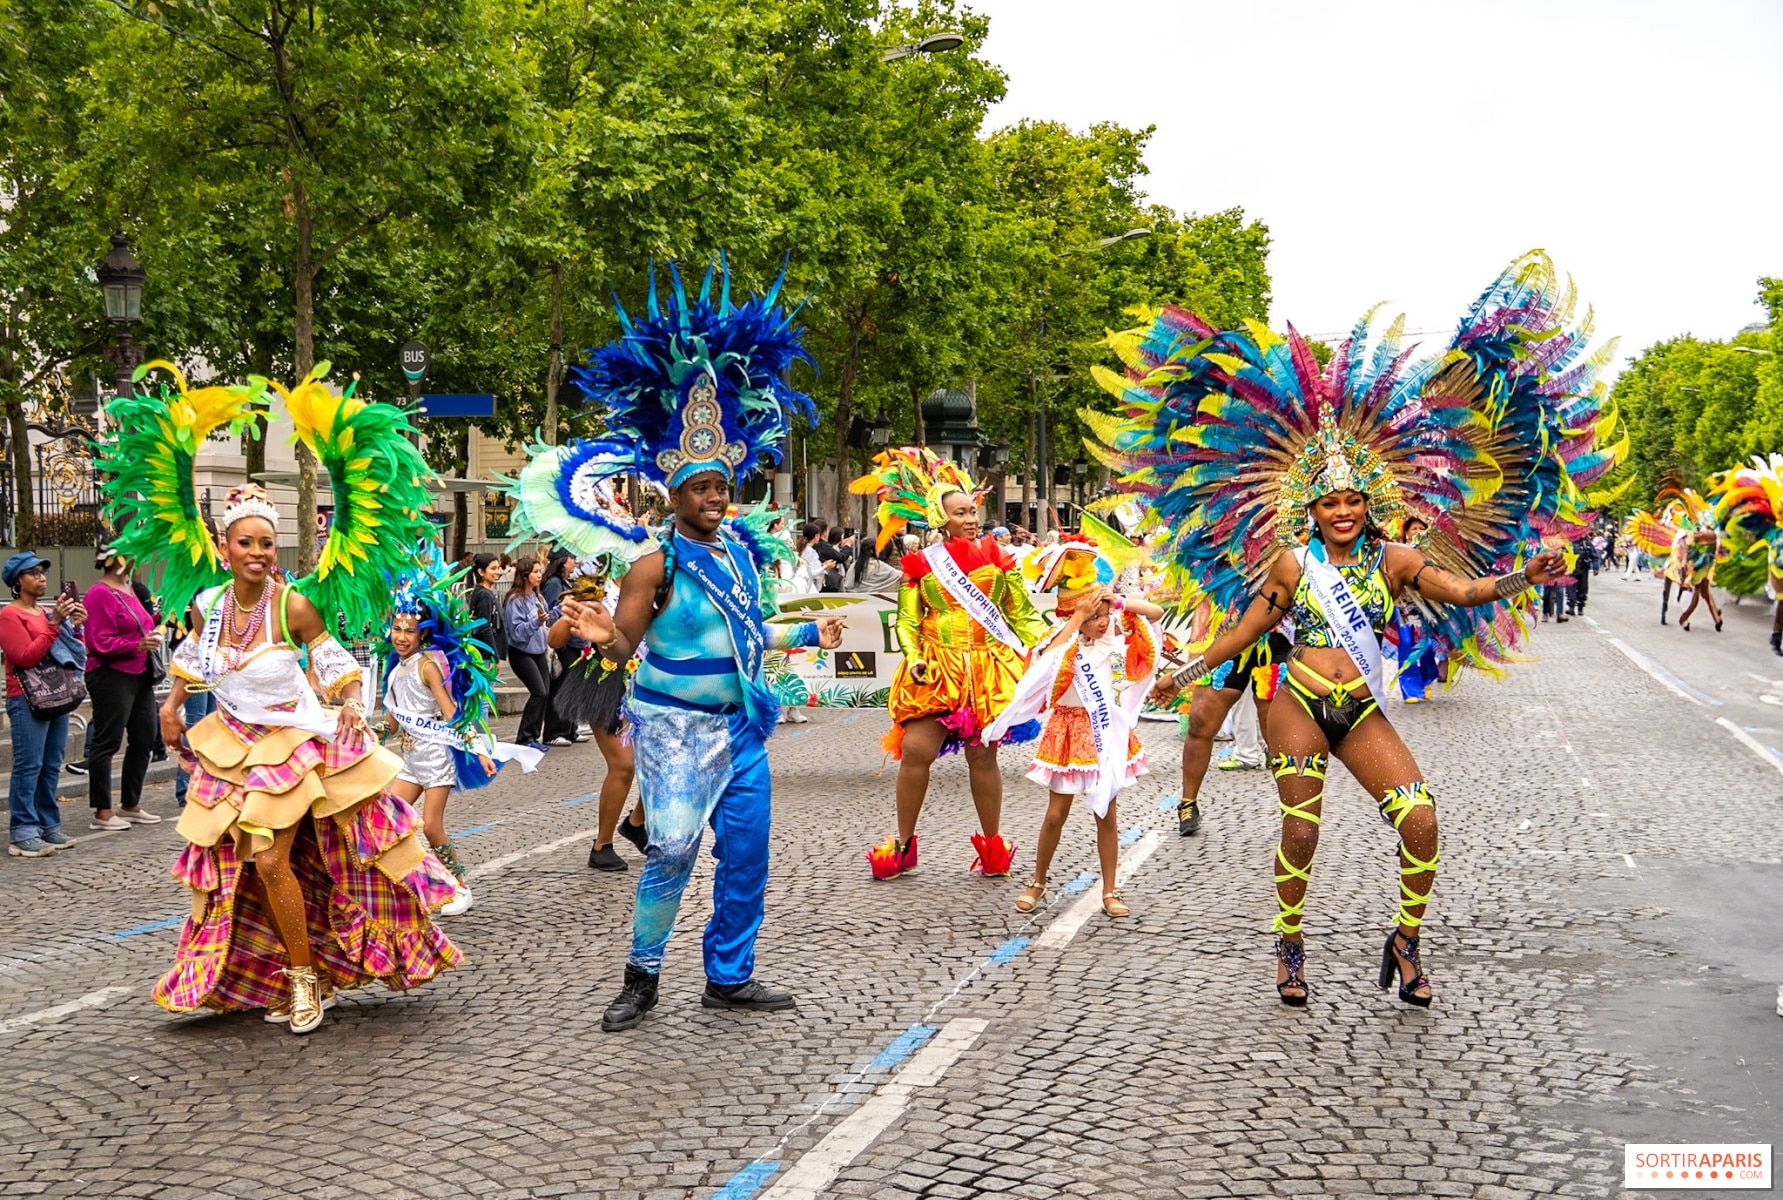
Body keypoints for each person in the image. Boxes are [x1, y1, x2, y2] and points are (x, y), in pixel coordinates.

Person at [1096, 254, 1616, 1008]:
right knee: (1301, 832)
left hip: (1359, 708)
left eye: (1350, 501)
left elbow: (1465, 589)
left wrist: (1522, 579)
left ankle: (1404, 940)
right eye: (1328, 503)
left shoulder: (1396, 557)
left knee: (1422, 823)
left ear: (1367, 504)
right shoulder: (1289, 562)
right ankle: (1289, 945)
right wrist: (1188, 671)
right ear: (1310, 510)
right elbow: (1248, 629)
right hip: (1296, 702)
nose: (1340, 511)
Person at [98, 360, 462, 1034]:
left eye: (268, 541)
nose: (259, 552)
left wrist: (351, 697)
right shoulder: (207, 603)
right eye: (247, 542)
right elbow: (193, 662)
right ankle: (287, 966)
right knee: (256, 868)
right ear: (226, 547)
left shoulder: (293, 606)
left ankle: (302, 984)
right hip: (234, 745)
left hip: (295, 745)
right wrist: (174, 707)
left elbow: (332, 663)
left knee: (268, 853)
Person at [558, 259, 843, 1032]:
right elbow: (623, 643)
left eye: (722, 486)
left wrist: (819, 633)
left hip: (742, 729)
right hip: (675, 728)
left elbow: (753, 635)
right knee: (673, 849)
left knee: (745, 858)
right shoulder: (655, 561)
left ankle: (729, 975)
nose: (716, 498)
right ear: (673, 493)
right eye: (701, 489)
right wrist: (598, 634)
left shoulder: (744, 552)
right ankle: (641, 978)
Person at [852, 447, 1049, 880]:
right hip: (937, 668)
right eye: (961, 512)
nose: (971, 517)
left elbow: (1023, 615)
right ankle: (903, 846)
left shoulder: (1000, 561)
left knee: (983, 757)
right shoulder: (922, 566)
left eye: (973, 509)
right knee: (915, 751)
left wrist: (1044, 649)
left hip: (985, 668)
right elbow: (907, 621)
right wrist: (916, 656)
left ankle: (993, 848)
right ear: (942, 520)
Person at [986, 542, 1164, 919]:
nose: (1101, 623)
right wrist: (1076, 618)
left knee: (1107, 813)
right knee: (1055, 814)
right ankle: (1038, 880)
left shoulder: (1112, 633)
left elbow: (1156, 611)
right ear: (1075, 617)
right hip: (1067, 732)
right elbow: (1044, 659)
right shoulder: (1059, 643)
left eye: (1103, 616)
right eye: (1093, 617)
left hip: (1103, 732)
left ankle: (1111, 890)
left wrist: (1115, 601)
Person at [379, 556, 542, 916]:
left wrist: (481, 752)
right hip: (411, 757)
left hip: (436, 755)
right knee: (390, 819)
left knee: (433, 825)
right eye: (397, 629)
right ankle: (416, 883)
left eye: (409, 630)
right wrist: (367, 737)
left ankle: (460, 888)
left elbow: (451, 713)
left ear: (423, 633)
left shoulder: (427, 665)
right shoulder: (395, 669)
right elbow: (391, 721)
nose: (401, 637)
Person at [2, 552, 84, 856]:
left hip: (56, 694)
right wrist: (55, 624)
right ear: (18, 582)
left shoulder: (47, 612)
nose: (41, 577)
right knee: (29, 765)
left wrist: (75, 628)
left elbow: (68, 654)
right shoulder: (10, 615)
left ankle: (48, 825)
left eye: (42, 572)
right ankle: (22, 831)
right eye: (33, 573)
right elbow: (24, 657)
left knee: (51, 765)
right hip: (26, 699)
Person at [82, 546, 165, 831]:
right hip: (110, 675)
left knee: (145, 737)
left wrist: (164, 617)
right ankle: (102, 812)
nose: (138, 558)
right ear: (116, 559)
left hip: (138, 673)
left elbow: (142, 624)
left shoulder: (129, 588)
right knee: (107, 741)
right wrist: (136, 645)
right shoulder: (100, 593)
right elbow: (97, 641)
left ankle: (130, 804)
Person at [503, 555, 553, 748]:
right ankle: (524, 737)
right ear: (524, 575)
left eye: (540, 571)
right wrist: (536, 622)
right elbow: (517, 633)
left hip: (538, 650)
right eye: (535, 572)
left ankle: (533, 736)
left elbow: (546, 621)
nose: (539, 575)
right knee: (538, 692)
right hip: (521, 652)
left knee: (546, 692)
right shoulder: (515, 600)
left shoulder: (537, 596)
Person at [538, 552, 584, 746]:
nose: (575, 562)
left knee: (572, 687)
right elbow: (551, 613)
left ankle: (570, 728)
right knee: (561, 687)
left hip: (576, 641)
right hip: (564, 643)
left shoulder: (567, 583)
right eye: (572, 558)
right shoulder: (554, 584)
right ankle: (554, 731)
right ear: (563, 561)